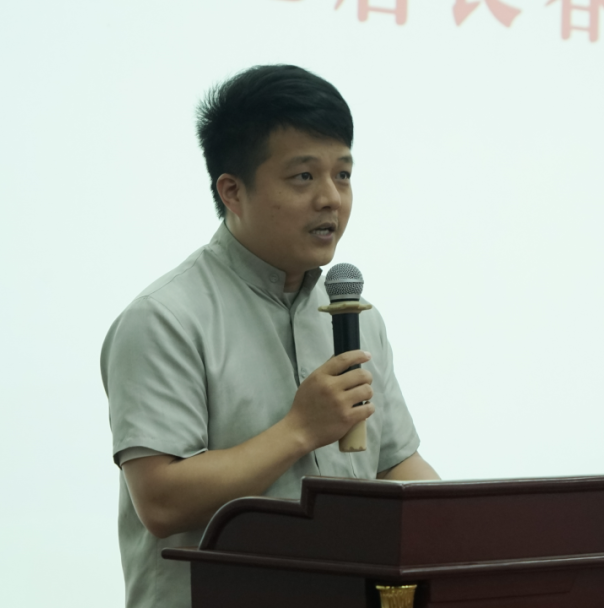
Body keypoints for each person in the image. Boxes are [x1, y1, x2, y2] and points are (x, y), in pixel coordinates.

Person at [101, 64, 439, 608]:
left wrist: (468, 531)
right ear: (233, 191)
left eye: (343, 174)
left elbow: (394, 465)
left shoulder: (355, 316)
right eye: (303, 177)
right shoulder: (164, 318)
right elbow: (161, 501)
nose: (331, 198)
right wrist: (300, 429)